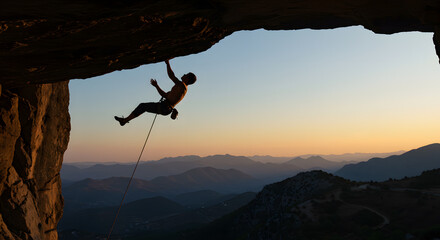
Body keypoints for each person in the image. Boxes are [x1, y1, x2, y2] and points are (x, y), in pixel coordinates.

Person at [114, 59, 196, 126]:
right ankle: (124, 120)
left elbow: (171, 76)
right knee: (143, 106)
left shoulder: (182, 86)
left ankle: (124, 120)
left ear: (188, 79)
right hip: (166, 108)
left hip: (165, 107)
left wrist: (167, 63)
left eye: (186, 74)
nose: (184, 74)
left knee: (143, 106)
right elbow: (164, 94)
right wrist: (156, 86)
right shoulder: (180, 88)